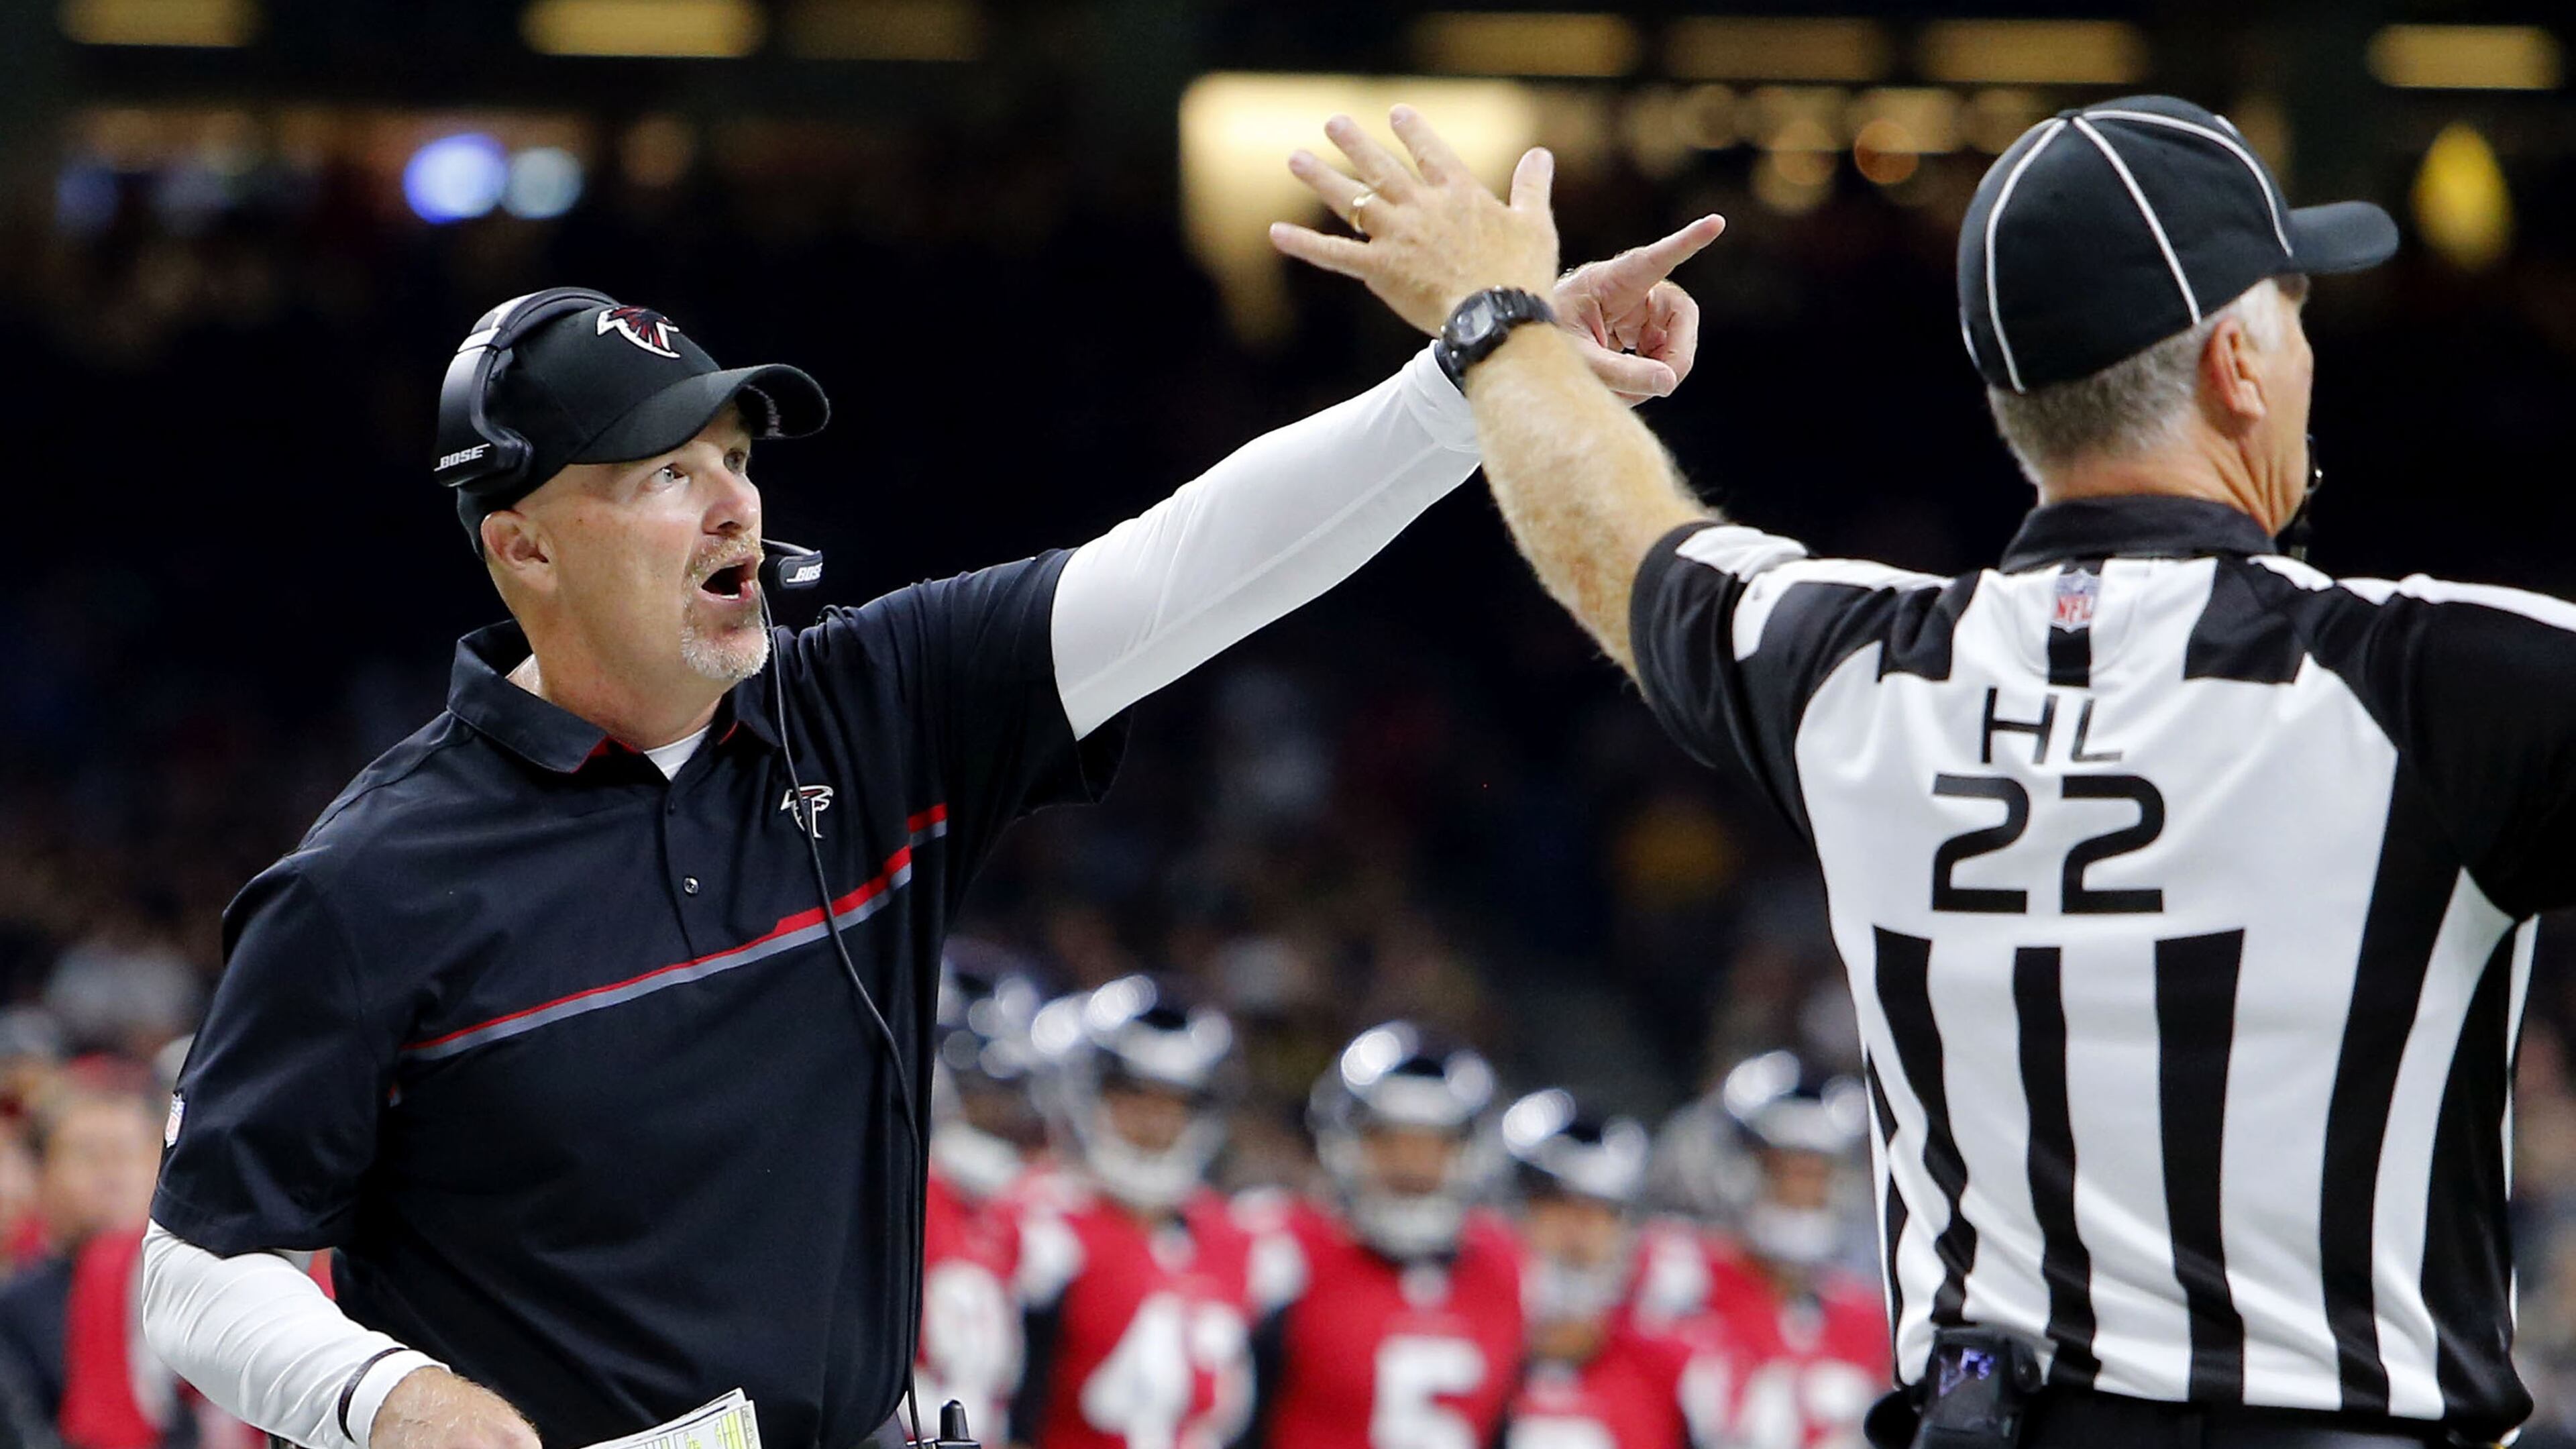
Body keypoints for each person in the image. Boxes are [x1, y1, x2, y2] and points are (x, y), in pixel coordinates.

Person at [137, 209, 1713, 1449]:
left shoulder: (865, 709)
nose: (732, 504)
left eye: (737, 460)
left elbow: (1189, 567)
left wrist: (1477, 381)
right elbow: (198, 1260)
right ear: (523, 549)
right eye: (664, 473)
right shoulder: (371, 880)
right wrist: (384, 1397)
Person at [1278, 92, 2575, 1449]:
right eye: (2296, 313)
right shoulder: (2435, 681)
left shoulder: (1860, 673)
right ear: (2240, 362)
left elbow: (1620, 539)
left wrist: (1497, 324)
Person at [1235, 1022, 1521, 1449]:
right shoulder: (1286, 1251)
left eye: (1432, 1145)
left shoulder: (1505, 1267)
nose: (1410, 1165)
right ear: (1348, 1144)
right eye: (1388, 1141)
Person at [1012, 977, 1252, 1449]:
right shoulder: (1035, 1222)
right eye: (1133, 1098)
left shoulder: (1239, 1241)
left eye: (1176, 1103)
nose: (1156, 1123)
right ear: (1085, 1096)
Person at [1631, 1056, 1886, 1449]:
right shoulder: (1675, 1269)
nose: (1802, 1192)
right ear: (1742, 1168)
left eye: (1817, 1172)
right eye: (1784, 1168)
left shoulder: (1863, 1315)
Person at [1493, 1089, 1698, 1449]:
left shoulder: (1667, 1367)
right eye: (1558, 1207)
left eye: (1599, 1212)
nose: (1579, 1233)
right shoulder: (1474, 1343)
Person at [914, 955, 1046, 1447]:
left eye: (1002, 1091)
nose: (994, 1110)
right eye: (975, 1088)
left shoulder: (1010, 1214)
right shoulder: (876, 1197)